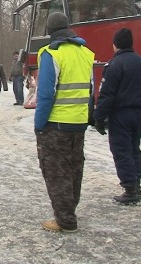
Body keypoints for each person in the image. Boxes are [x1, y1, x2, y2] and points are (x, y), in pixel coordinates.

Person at [34, 12, 95, 233]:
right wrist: (88, 116)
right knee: (74, 169)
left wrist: (39, 125)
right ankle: (70, 210)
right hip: (79, 122)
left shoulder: (51, 53)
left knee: (56, 172)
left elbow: (46, 94)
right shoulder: (85, 53)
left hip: (56, 124)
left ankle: (65, 220)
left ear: (50, 31)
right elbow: (91, 90)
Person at [93, 28, 141, 204]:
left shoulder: (114, 65)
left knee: (121, 150)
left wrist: (99, 117)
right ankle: (137, 182)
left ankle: (130, 188)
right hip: (139, 113)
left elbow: (107, 94)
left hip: (121, 114)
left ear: (115, 44)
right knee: (135, 148)